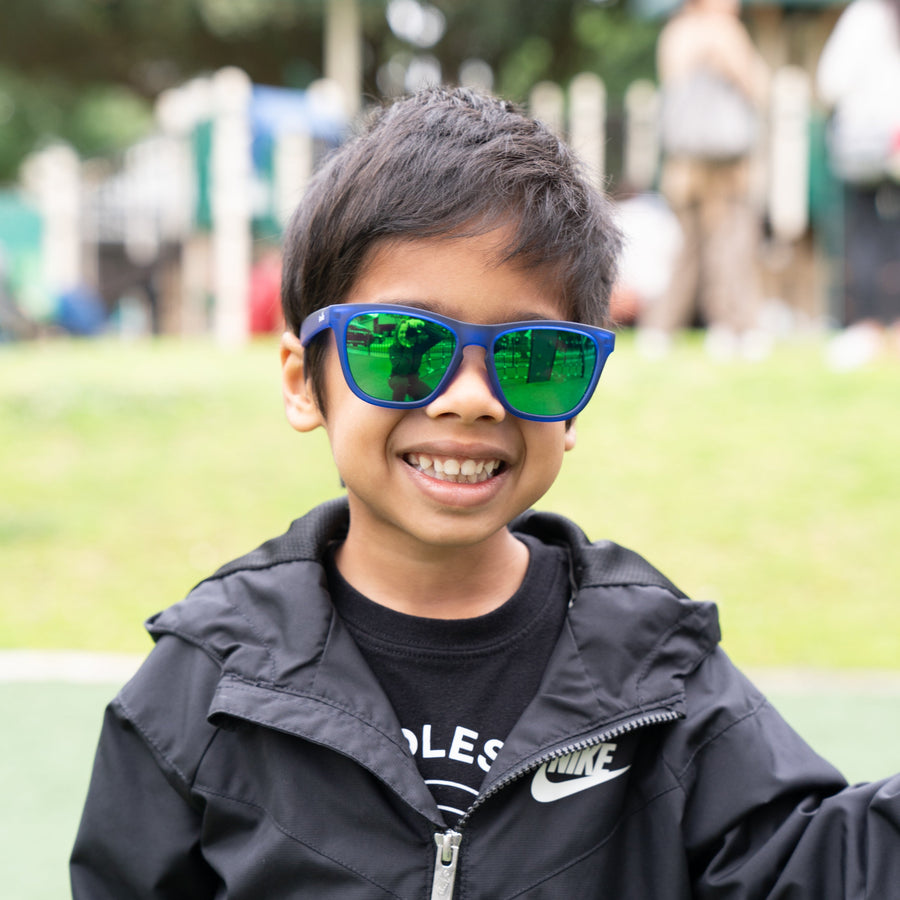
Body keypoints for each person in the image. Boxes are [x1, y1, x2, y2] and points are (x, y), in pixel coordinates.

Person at [71, 87, 899, 899]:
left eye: (535, 357)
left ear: (575, 403)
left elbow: (817, 866)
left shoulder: (657, 673)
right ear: (302, 382)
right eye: (403, 346)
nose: (471, 398)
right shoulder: (206, 683)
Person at [638, 0, 771, 360]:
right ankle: (733, 326)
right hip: (726, 165)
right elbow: (757, 86)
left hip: (683, 164)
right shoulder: (724, 31)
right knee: (732, 243)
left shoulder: (675, 32)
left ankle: (660, 328)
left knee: (686, 248)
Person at [816, 0, 900, 369]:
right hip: (894, 140)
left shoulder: (863, 16)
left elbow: (830, 82)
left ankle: (868, 325)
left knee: (864, 233)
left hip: (864, 144)